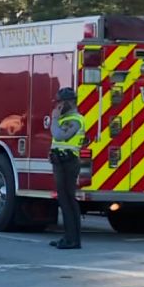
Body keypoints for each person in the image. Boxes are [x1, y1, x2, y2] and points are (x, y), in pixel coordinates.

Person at [49, 87, 85, 249]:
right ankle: (68, 237)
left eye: (61, 102)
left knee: (68, 201)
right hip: (60, 162)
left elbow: (59, 135)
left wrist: (55, 119)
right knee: (64, 201)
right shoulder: (66, 118)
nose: (58, 106)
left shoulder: (75, 120)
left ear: (70, 102)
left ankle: (73, 240)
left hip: (68, 163)